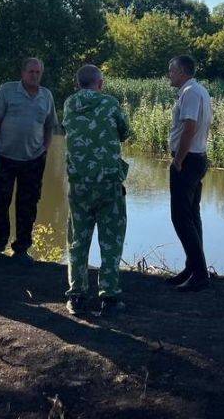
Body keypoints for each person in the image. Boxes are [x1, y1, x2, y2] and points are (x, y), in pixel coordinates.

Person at [62, 64, 130, 317]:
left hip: (79, 183)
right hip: (108, 183)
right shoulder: (110, 103)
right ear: (100, 84)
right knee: (110, 240)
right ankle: (109, 297)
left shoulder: (69, 104)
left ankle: (77, 297)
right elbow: (125, 132)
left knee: (78, 240)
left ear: (78, 84)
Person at [0, 58, 58, 264]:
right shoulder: (7, 90)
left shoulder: (46, 95)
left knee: (28, 204)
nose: (35, 75)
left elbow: (50, 125)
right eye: (31, 71)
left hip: (33, 160)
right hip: (4, 157)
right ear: (23, 72)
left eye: (38, 72)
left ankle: (22, 249)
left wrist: (45, 148)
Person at [165, 54, 213, 292]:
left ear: (182, 71)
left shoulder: (190, 92)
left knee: (181, 217)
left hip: (188, 160)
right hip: (196, 159)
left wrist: (178, 159)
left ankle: (200, 274)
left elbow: (190, 127)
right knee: (192, 216)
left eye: (172, 71)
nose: (169, 75)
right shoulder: (198, 90)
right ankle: (193, 267)